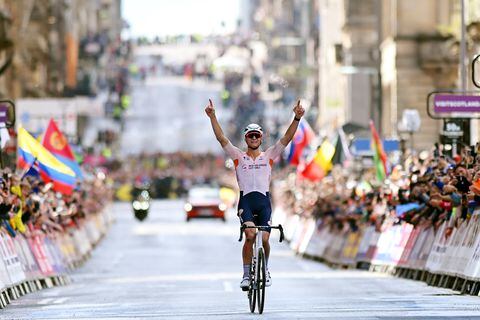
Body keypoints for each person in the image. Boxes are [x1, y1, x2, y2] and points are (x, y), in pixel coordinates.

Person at [205, 98, 305, 290]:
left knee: (265, 239)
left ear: (261, 138)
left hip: (264, 202)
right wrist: (213, 116)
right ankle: (245, 275)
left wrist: (297, 118)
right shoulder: (238, 157)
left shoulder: (268, 156)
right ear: (246, 139)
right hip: (246, 203)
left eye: (256, 136)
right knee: (250, 235)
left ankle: (265, 269)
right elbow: (222, 139)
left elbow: (286, 139)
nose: (253, 139)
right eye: (250, 136)